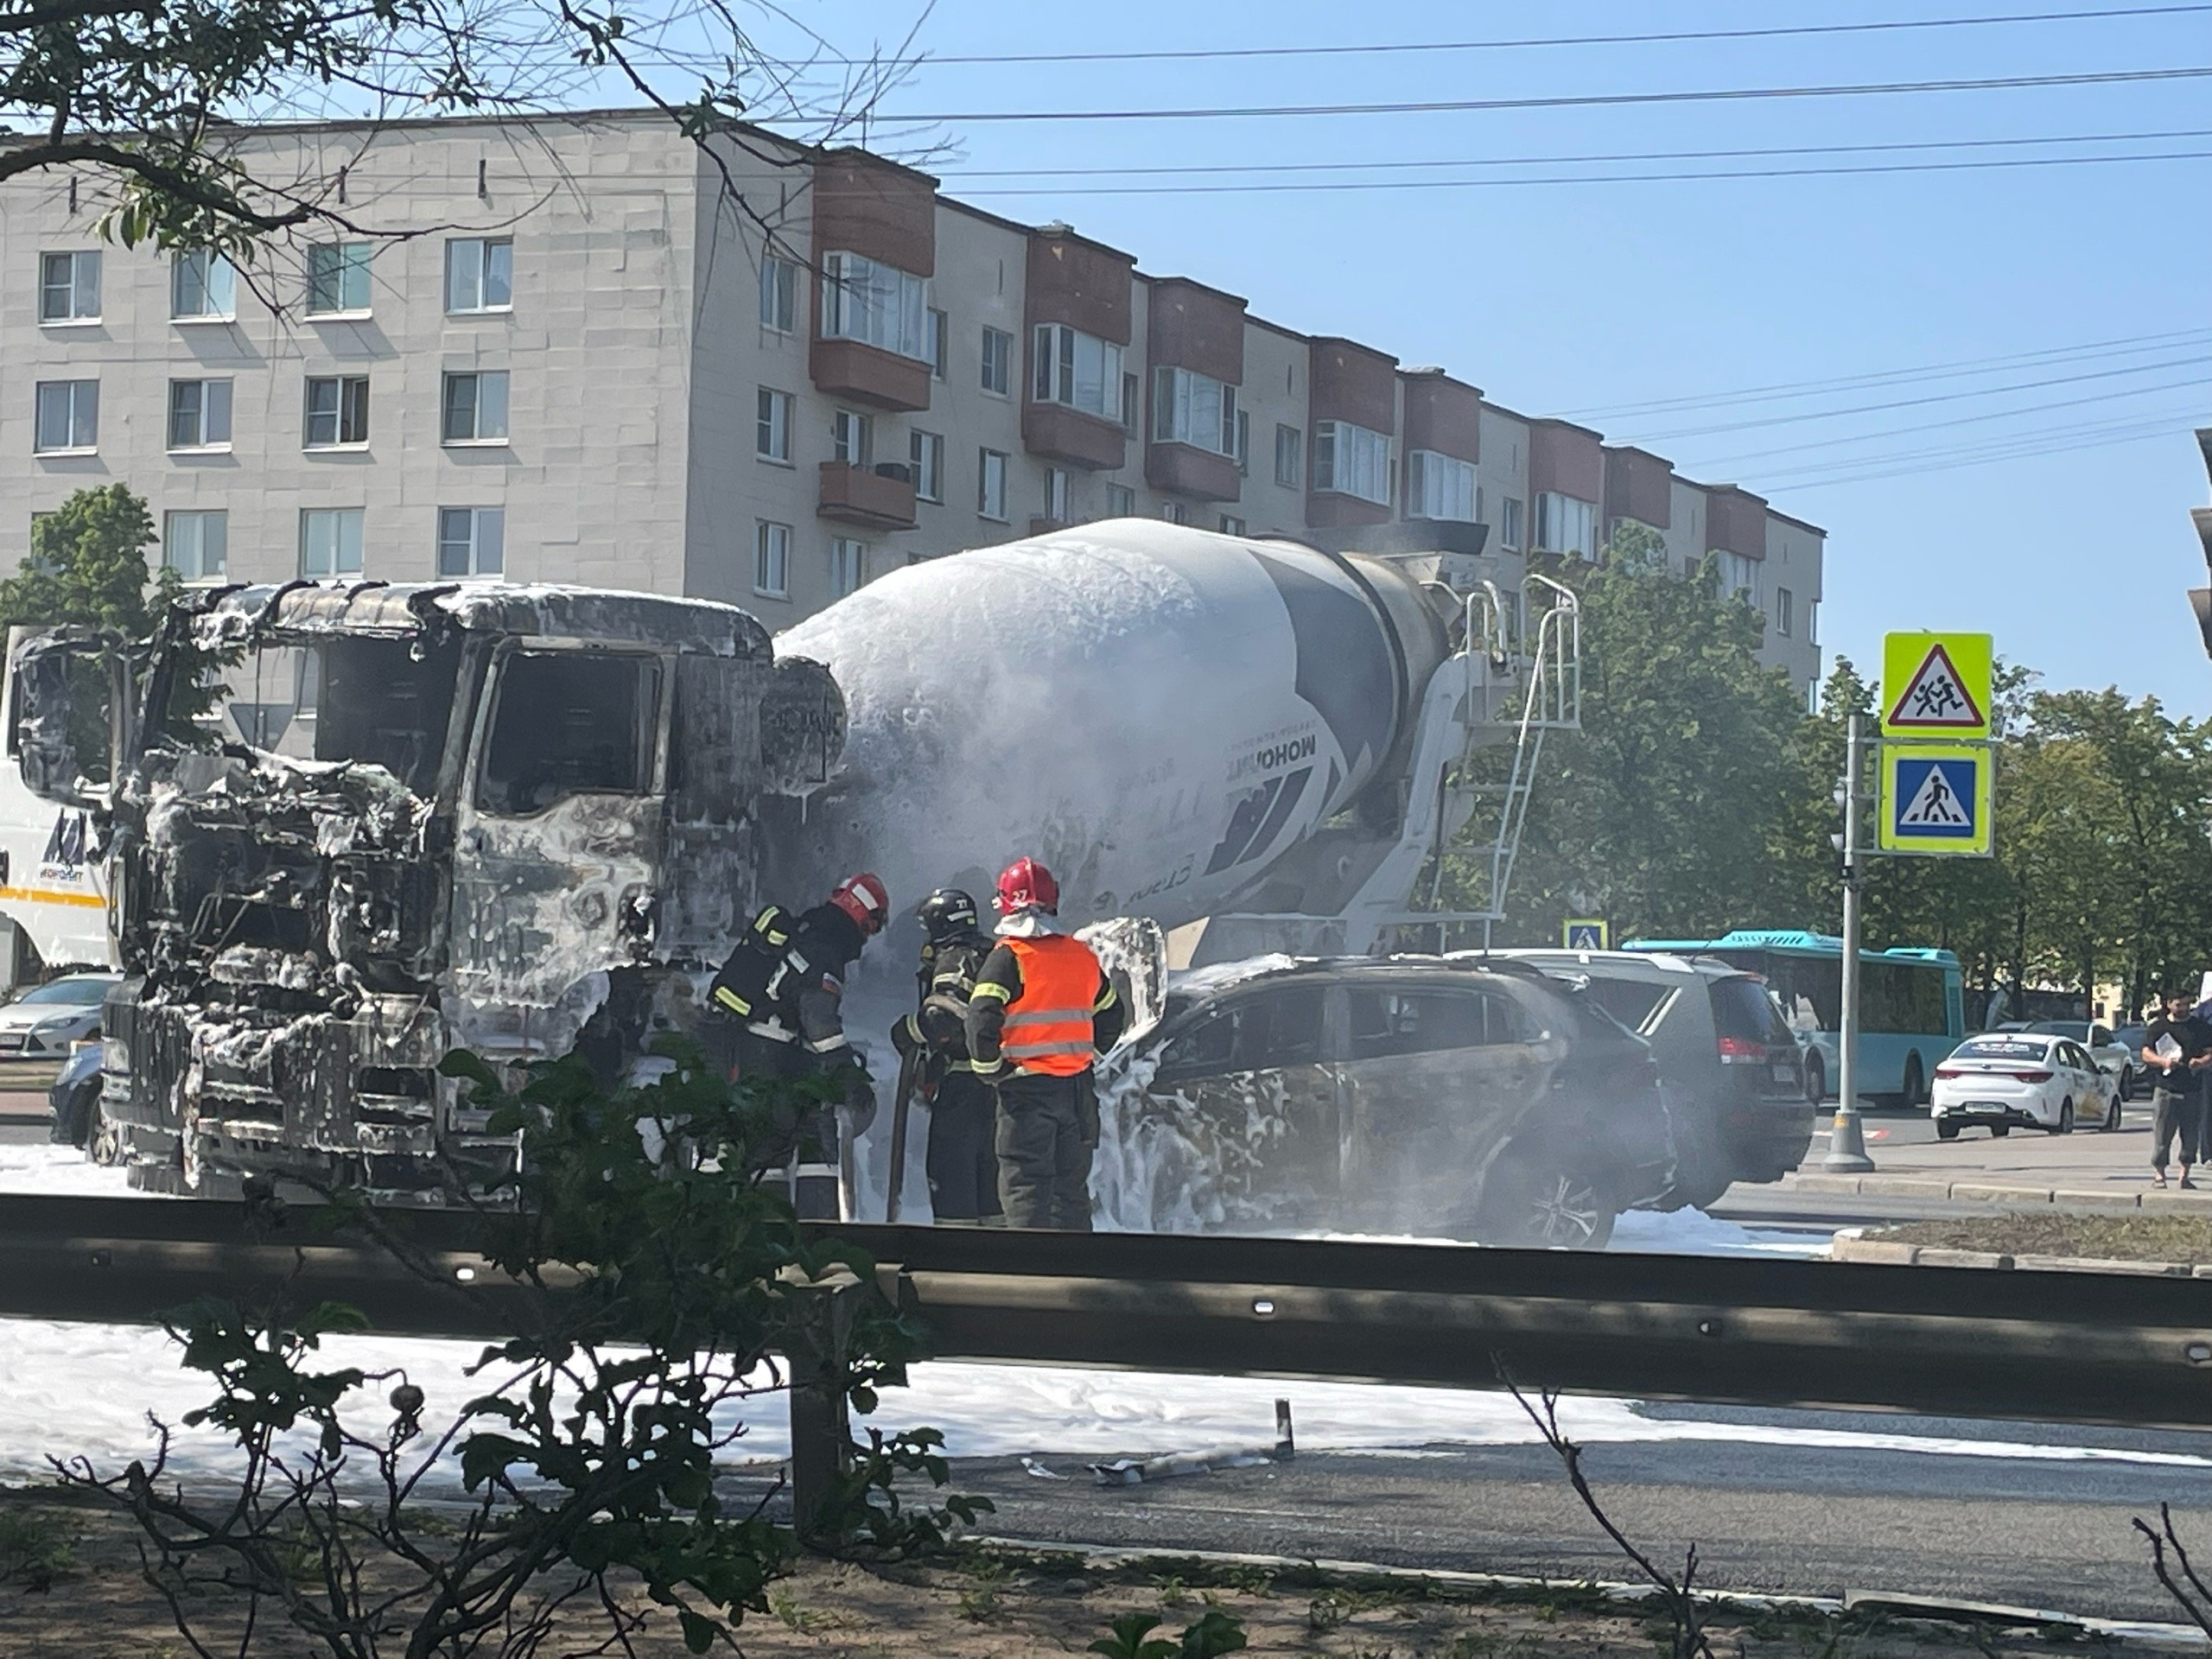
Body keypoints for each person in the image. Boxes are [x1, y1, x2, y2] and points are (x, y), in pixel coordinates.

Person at [704, 872, 889, 1217]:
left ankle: (768, 1244)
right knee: (809, 1145)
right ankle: (814, 1243)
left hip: (757, 1053)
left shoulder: (806, 932)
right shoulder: (826, 947)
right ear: (862, 915)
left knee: (768, 1153)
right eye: (873, 923)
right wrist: (846, 1072)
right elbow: (818, 1017)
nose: (871, 934)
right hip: (776, 1058)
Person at [964, 857, 1125, 1230]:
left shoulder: (1008, 957)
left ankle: (1031, 1279)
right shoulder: (1080, 956)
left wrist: (991, 1070)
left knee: (1026, 1190)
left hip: (1026, 1091)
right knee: (1071, 1195)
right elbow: (1113, 1013)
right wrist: (1088, 1056)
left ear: (1006, 904)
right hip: (1077, 1093)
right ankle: (1075, 1278)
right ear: (1053, 901)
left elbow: (980, 1020)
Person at [890, 887, 1002, 1225]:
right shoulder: (995, 956)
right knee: (992, 1197)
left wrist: (907, 1031)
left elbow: (944, 1016)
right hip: (1000, 1091)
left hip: (962, 1093)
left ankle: (955, 1266)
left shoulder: (955, 957)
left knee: (953, 1186)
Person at [2143, 986, 2212, 1189]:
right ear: (2168, 1004)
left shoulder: (2200, 1028)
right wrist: (2162, 1062)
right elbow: (2146, 1053)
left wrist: (2201, 1062)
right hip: (2165, 1089)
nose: (2183, 1008)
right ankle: (2160, 1175)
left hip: (2193, 1089)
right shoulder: (2158, 1027)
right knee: (2162, 1135)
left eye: (2186, 1004)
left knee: (2190, 1135)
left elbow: (2211, 1053)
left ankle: (2184, 1176)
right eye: (2178, 1004)